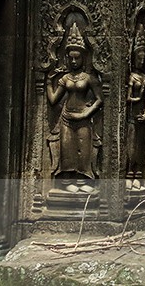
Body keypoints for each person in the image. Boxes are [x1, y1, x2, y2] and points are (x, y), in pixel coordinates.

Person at [46, 22, 103, 194]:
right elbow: (54, 99)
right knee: (67, 151)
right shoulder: (65, 78)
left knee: (84, 150)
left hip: (84, 118)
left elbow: (99, 99)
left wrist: (87, 112)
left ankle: (83, 179)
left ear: (83, 58)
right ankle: (67, 181)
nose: (73, 61)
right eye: (70, 57)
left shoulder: (89, 78)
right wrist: (49, 82)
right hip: (66, 118)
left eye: (77, 57)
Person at [125, 24, 145, 191]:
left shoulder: (144, 77)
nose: (141, 61)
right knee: (131, 147)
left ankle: (138, 174)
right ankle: (128, 173)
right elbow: (128, 97)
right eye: (139, 57)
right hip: (131, 116)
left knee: (141, 147)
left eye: (143, 58)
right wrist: (138, 95)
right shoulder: (132, 77)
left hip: (141, 117)